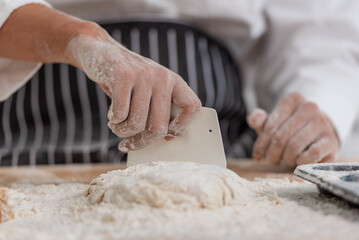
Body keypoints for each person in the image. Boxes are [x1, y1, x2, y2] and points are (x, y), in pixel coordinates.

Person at [1, 0, 359, 167]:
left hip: (220, 149)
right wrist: (78, 38)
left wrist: (320, 106)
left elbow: (318, 33)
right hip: (35, 128)